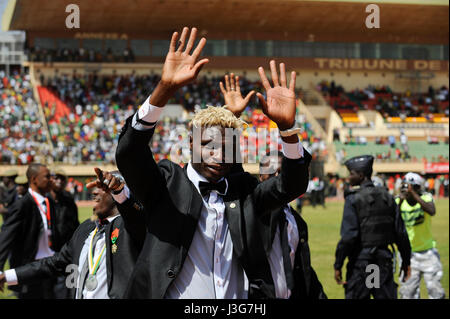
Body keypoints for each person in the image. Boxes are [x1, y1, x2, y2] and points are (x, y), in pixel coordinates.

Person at [115, 27, 310, 299]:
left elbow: (293, 185)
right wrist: (164, 90)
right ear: (191, 144)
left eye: (226, 148)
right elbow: (129, 153)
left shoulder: (246, 192)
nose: (218, 156)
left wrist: (288, 130)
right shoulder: (166, 184)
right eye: (209, 146)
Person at [221, 73, 325, 299]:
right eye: (272, 173)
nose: (278, 178)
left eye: (282, 172)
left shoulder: (295, 220)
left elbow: (303, 273)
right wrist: (231, 120)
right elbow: (232, 171)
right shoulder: (250, 208)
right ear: (260, 178)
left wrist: (288, 129)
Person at [0, 172, 145, 299]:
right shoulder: (86, 229)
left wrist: (119, 191)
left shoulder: (131, 228)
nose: (94, 192)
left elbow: (135, 216)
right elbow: (54, 263)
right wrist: (8, 276)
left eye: (102, 187)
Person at [333, 155, 412, 299]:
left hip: (361, 264)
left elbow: (349, 237)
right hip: (381, 263)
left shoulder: (353, 199)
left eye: (352, 174)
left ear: (361, 175)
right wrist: (406, 261)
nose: (349, 177)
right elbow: (401, 233)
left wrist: (338, 265)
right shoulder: (387, 197)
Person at [0, 164, 62, 298]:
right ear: (34, 179)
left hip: (49, 267)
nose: (51, 179)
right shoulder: (23, 204)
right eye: (47, 177)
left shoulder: (48, 202)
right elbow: (6, 235)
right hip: (30, 270)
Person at [397, 172, 445, 299]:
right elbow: (391, 219)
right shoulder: (398, 201)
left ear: (418, 188)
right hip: (407, 255)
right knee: (408, 293)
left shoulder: (426, 198)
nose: (406, 190)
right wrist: (401, 201)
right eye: (405, 186)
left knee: (435, 291)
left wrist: (414, 195)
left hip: (427, 252)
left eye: (410, 187)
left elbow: (431, 211)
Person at [48, 168, 80, 299]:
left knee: (65, 288)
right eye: (56, 178)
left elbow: (75, 224)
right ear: (50, 180)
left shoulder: (68, 199)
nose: (59, 181)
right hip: (47, 251)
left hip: (65, 250)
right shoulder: (44, 199)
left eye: (62, 179)